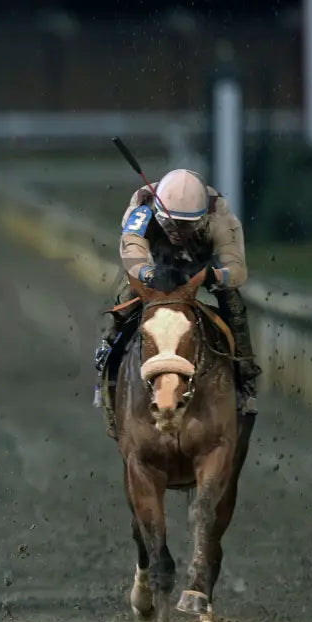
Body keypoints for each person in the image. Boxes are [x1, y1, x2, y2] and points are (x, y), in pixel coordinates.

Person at [93, 169, 261, 435]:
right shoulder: (142, 207)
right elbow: (132, 252)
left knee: (233, 302)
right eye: (170, 223)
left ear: (202, 219)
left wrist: (213, 275)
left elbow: (237, 270)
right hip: (155, 262)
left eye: (186, 225)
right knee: (124, 299)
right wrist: (148, 273)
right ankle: (107, 361)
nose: (176, 231)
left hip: (201, 263)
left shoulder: (220, 216)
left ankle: (245, 372)